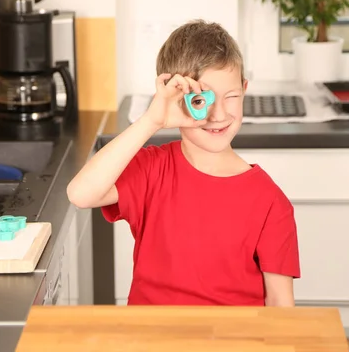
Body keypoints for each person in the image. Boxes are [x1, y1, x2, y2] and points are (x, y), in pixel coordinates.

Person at [67, 19, 300, 306]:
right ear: (175, 100)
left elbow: (281, 306)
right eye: (201, 100)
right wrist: (152, 121)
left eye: (231, 97)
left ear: (245, 89)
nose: (217, 115)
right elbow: (80, 194)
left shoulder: (270, 202)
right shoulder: (152, 169)